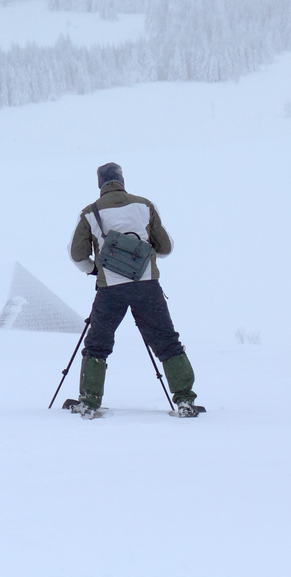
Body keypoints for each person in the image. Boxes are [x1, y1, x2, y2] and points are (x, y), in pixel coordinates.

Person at [63, 162, 204, 418]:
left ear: (100, 184)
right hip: (147, 285)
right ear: (121, 180)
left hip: (110, 290)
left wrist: (93, 269)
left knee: (97, 344)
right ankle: (185, 399)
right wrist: (141, 259)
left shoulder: (89, 213)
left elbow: (76, 255)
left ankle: (89, 401)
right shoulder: (144, 205)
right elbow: (165, 248)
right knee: (167, 341)